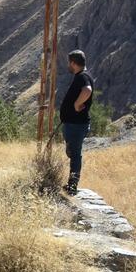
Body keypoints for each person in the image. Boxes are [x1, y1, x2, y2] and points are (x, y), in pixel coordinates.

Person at [59, 50, 94, 195]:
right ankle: (72, 184)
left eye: (69, 63)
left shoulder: (82, 77)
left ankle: (72, 186)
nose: (68, 65)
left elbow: (87, 90)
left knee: (75, 154)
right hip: (73, 124)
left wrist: (76, 104)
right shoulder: (82, 76)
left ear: (73, 63)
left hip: (76, 124)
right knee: (72, 152)